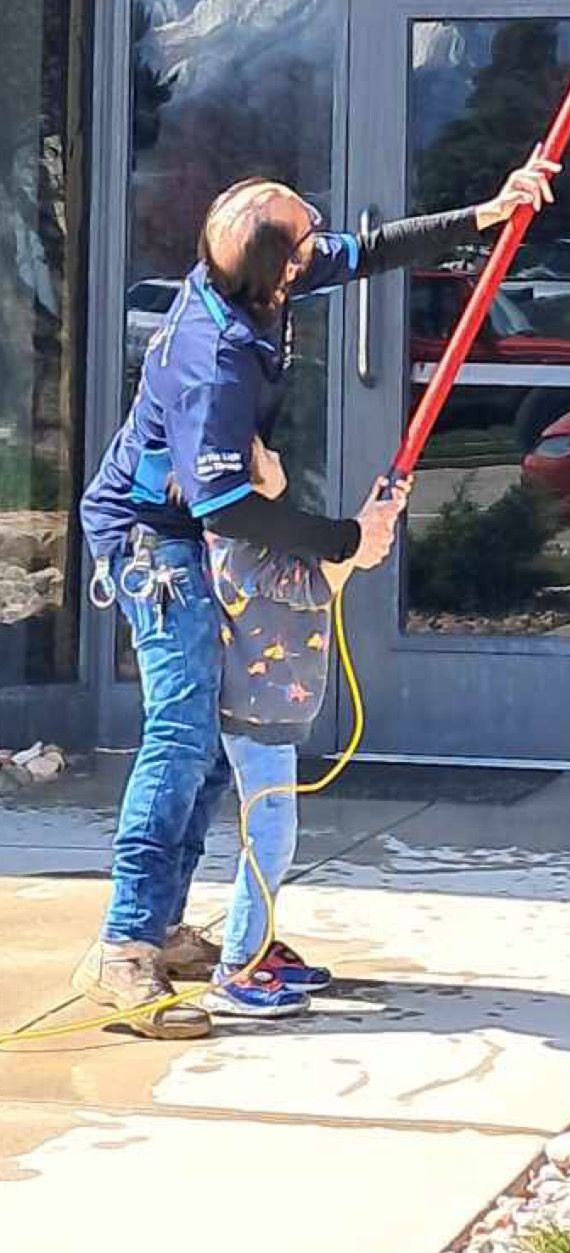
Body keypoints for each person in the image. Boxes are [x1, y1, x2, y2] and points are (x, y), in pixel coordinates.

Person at [74, 156, 557, 1035]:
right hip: (156, 540)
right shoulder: (211, 356)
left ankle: (166, 923)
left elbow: (368, 250)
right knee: (181, 734)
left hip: (196, 522)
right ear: (277, 266)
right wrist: (344, 540)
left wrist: (487, 211)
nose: (321, 238)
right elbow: (223, 502)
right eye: (307, 233)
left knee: (213, 749)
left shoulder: (260, 281)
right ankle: (125, 949)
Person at [198, 437, 349, 1020]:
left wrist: (365, 532)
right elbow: (312, 584)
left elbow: (320, 568)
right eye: (263, 454)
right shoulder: (237, 545)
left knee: (272, 833)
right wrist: (363, 538)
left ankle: (257, 946)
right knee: (271, 835)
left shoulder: (261, 535)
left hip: (275, 713)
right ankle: (237, 965)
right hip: (256, 716)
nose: (278, 460)